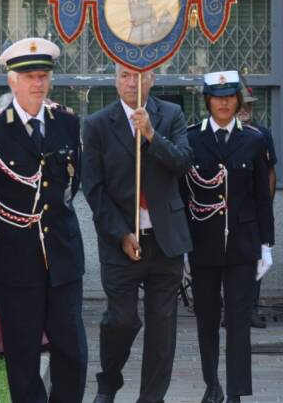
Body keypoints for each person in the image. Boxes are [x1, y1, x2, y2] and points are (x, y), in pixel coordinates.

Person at [0, 38, 87, 403]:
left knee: (73, 351)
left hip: (62, 257)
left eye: (44, 75)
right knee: (22, 355)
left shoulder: (66, 122)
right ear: (12, 81)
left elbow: (72, 184)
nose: (38, 83)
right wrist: (14, 229)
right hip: (14, 260)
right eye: (30, 76)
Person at [82, 65, 194, 403]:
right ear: (115, 80)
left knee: (163, 329)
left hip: (165, 239)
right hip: (121, 242)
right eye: (125, 76)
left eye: (140, 76)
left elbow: (184, 161)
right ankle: (108, 380)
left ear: (154, 78)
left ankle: (151, 398)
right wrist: (120, 234)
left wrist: (151, 135)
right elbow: (94, 189)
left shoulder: (171, 114)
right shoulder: (97, 124)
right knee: (122, 320)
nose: (133, 82)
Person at [183, 70, 275, 403]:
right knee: (206, 319)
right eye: (217, 97)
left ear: (238, 100)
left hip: (243, 243)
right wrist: (182, 247)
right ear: (208, 101)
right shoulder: (191, 138)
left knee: (238, 321)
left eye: (229, 96)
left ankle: (236, 390)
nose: (224, 102)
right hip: (202, 241)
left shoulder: (254, 138)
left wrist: (267, 245)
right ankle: (212, 385)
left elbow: (262, 196)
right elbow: (183, 194)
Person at [236, 83, 277, 329]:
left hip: (254, 208)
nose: (245, 110)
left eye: (248, 106)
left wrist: (267, 204)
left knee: (256, 258)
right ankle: (229, 310)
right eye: (241, 105)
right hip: (228, 207)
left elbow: (270, 172)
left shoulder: (261, 134)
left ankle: (251, 308)